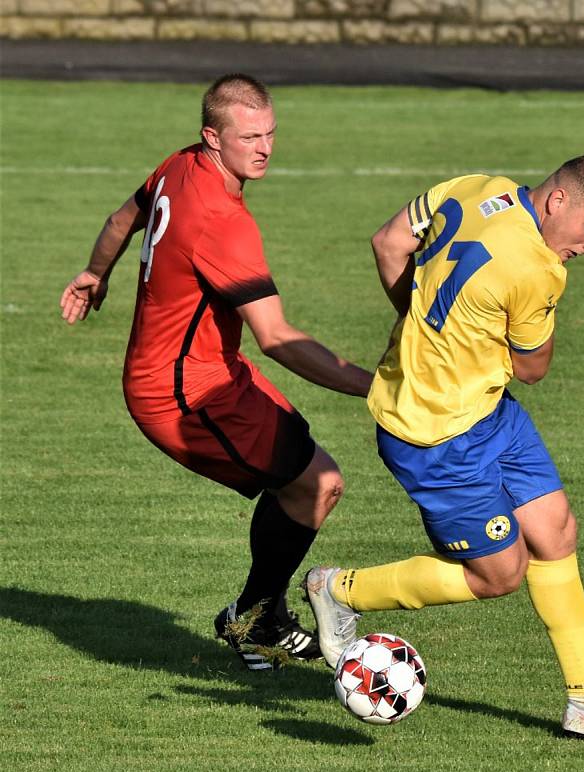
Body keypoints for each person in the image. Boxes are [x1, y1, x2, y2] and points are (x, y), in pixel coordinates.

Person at [306, 155, 584, 741]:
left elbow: (389, 241)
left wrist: (421, 323)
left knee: (557, 532)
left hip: (487, 411)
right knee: (499, 575)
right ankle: (338, 589)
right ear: (558, 202)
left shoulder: (478, 188)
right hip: (435, 435)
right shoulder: (537, 269)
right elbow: (533, 368)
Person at [60, 74, 373, 671]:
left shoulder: (179, 166)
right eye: (248, 136)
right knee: (317, 483)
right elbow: (278, 337)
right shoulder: (221, 222)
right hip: (182, 397)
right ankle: (254, 620)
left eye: (270, 133)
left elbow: (122, 215)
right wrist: (375, 386)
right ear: (213, 137)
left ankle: (261, 613)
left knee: (307, 480)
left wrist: (95, 272)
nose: (264, 148)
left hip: (214, 372)